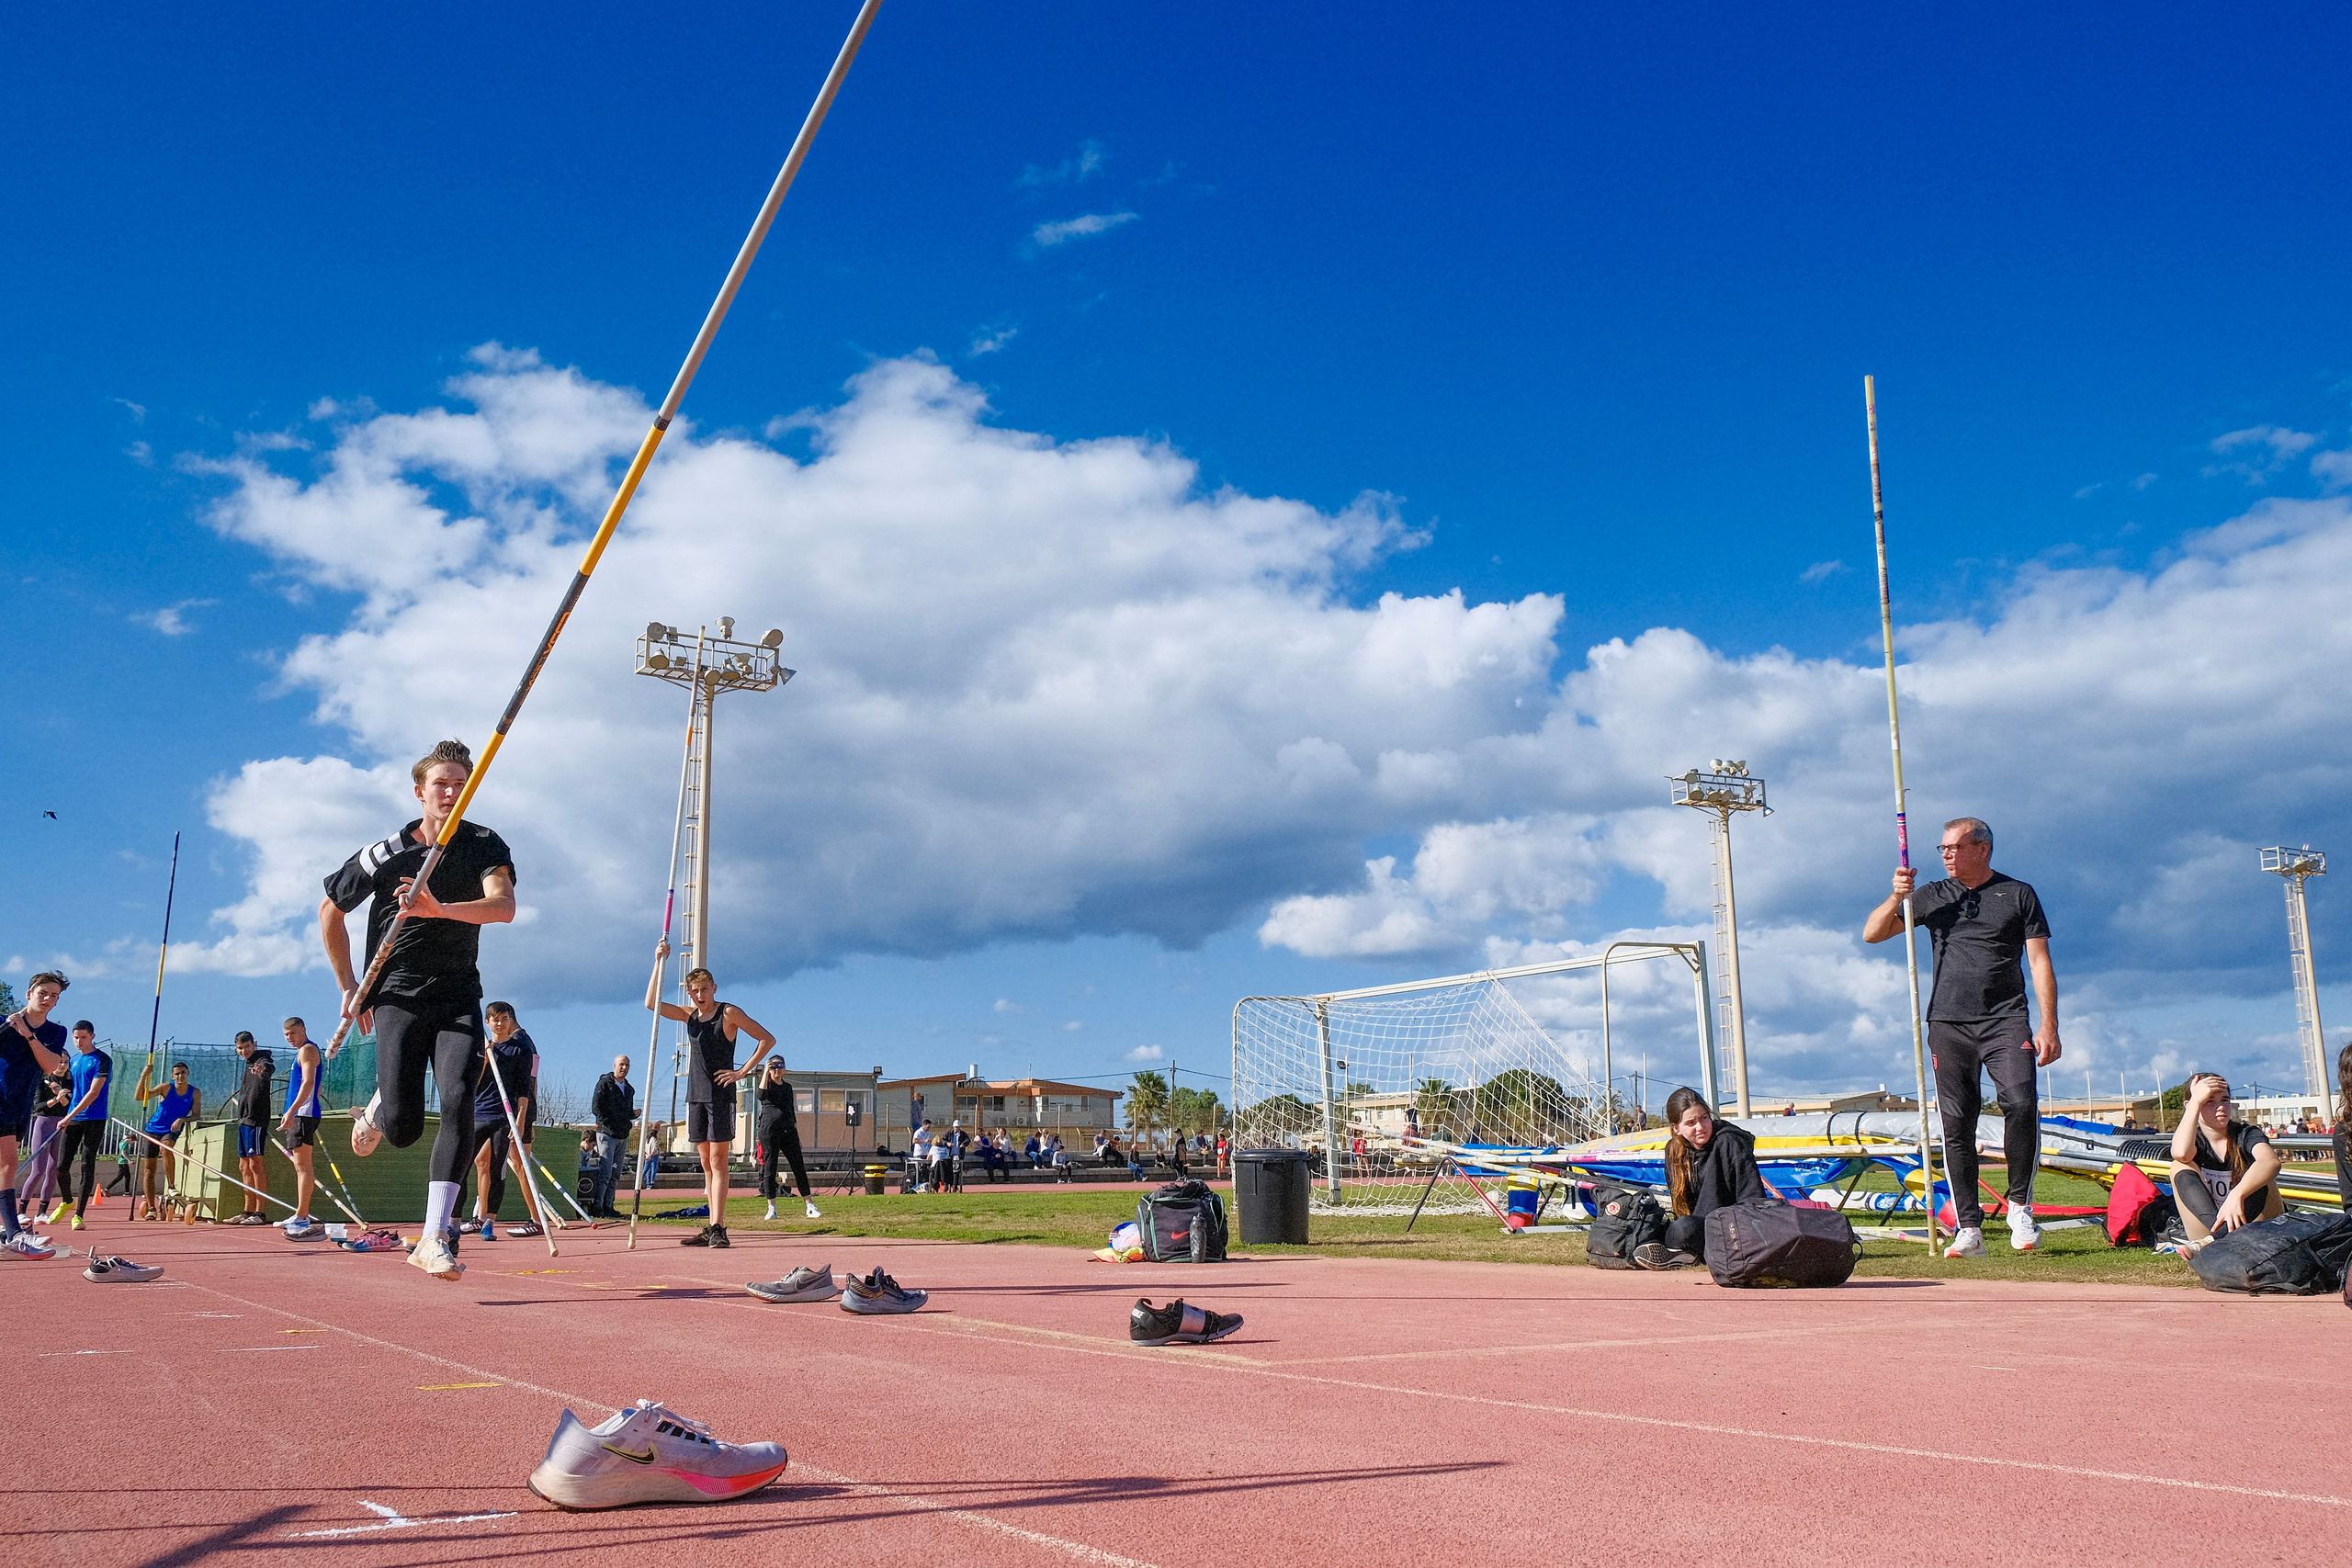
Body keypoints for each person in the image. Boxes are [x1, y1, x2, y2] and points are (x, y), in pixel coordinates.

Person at [322, 739, 517, 1282]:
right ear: (420, 792)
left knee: (458, 1098)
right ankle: (380, 1110)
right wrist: (348, 985)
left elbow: (504, 907)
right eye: (441, 784)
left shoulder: (483, 844)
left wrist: (440, 909)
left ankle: (435, 1235)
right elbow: (330, 912)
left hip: (458, 992)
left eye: (462, 783)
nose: (452, 791)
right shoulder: (385, 854)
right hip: (397, 995)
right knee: (406, 1127)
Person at [1864, 815, 2059, 1259]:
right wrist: (1896, 896)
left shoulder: (2018, 894)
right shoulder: (1932, 895)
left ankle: (2020, 1207)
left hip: (2006, 1020)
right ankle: (1968, 1228)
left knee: (2021, 1102)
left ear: (1982, 848)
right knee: (1956, 1123)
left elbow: (2040, 961)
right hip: (1948, 1024)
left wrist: (2049, 1025)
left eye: (1955, 847)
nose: (1947, 855)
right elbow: (1873, 934)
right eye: (1943, 849)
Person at [646, 941, 776, 1248]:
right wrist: (658, 961)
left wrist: (741, 1072)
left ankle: (719, 1226)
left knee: (719, 1160)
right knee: (705, 1160)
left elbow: (766, 1039)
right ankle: (710, 1225)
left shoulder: (728, 1013)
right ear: (689, 992)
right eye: (694, 991)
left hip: (720, 1094)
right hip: (697, 1095)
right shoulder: (689, 1015)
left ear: (713, 988)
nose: (700, 995)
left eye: (704, 989)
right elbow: (652, 1004)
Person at [1634, 1087, 1765, 1269]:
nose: (1701, 1127)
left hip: (1732, 1232)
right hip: (1697, 1226)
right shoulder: (1673, 1150)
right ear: (1676, 1128)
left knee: (1683, 1228)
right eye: (1691, 1123)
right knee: (1646, 1228)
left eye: (1704, 1118)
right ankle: (1680, 1254)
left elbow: (1753, 1201)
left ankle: (1683, 1254)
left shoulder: (1729, 1142)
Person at [2163, 1073, 2284, 1254]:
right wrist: (2195, 1102)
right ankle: (2217, 1239)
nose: (2220, 1107)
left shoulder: (2246, 1134)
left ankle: (2215, 1241)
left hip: (2254, 1227)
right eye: (2209, 1101)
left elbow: (2271, 1162)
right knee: (2179, 1166)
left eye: (2225, 1099)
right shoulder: (2194, 1142)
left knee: (2261, 1169)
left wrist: (2237, 1195)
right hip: (2209, 1225)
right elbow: (2180, 1153)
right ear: (2191, 1106)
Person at [0, 973, 72, 1257]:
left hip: (21, 1104)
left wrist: (28, 1035)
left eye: (54, 996)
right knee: (8, 1163)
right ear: (29, 994)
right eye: (43, 992)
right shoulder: (3, 1023)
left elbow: (52, 1065)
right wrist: (11, 1027)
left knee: (4, 1165)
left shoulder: (56, 1032)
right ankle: (14, 1234)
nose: (48, 999)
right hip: (0, 1098)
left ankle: (8, 1230)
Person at [464, 1001, 541, 1242]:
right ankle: (482, 1215)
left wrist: (523, 1119)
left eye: (504, 1019)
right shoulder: (485, 1046)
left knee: (519, 1164)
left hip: (514, 1112)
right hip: (488, 1112)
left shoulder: (523, 1043)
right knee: (481, 1160)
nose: (500, 1023)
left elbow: (528, 1081)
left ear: (511, 1020)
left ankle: (537, 1220)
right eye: (495, 1019)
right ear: (488, 1022)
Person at [275, 1018, 328, 1238]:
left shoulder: (307, 1050)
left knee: (303, 1165)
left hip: (303, 1115)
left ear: (303, 1030)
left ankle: (302, 1215)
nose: (289, 1038)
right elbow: (317, 1087)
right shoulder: (303, 1052)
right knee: (299, 1165)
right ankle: (300, 1214)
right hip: (302, 1114)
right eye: (286, 1034)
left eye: (293, 1033)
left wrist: (293, 1111)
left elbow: (308, 1082)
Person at [57, 1021, 112, 1230]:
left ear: (92, 1036)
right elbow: (74, 1088)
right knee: (61, 1165)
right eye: (76, 1038)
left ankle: (78, 1215)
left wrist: (69, 1115)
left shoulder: (102, 1060)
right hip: (74, 1118)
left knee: (87, 1164)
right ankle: (66, 1199)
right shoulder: (74, 1060)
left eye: (83, 1037)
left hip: (94, 1118)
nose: (79, 1042)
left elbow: (93, 1093)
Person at [752, 1057, 821, 1222]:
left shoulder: (788, 1087)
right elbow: (761, 1095)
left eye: (779, 1066)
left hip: (788, 1130)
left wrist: (796, 1134)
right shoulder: (766, 1085)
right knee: (770, 1169)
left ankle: (809, 1205)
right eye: (773, 1067)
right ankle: (772, 1208)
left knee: (799, 1167)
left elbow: (791, 1110)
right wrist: (765, 1073)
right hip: (769, 1132)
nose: (777, 1070)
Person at [132, 1057, 199, 1221]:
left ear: (188, 1074)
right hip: (152, 1130)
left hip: (171, 1131)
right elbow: (140, 1097)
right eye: (177, 1074)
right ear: (172, 1075)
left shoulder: (194, 1092)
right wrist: (144, 1076)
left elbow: (196, 1115)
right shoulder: (166, 1088)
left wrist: (182, 1119)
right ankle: (151, 1208)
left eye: (183, 1073)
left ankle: (171, 1186)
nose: (180, 1077)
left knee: (166, 1147)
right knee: (149, 1170)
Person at [229, 1030, 277, 1225]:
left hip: (256, 1121)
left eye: (247, 1047)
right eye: (240, 1048)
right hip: (244, 1120)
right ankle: (247, 1211)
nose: (243, 1051)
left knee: (256, 1164)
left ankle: (260, 1212)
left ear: (254, 1044)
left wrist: (263, 1069)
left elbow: (268, 1067)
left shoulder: (261, 1061)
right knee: (244, 1166)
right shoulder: (247, 1064)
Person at [20, 1059, 72, 1220]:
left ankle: (42, 1212)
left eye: (66, 1062)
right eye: (60, 1061)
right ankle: (21, 1211)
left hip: (61, 1124)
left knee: (53, 1170)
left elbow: (68, 1106)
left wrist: (62, 1096)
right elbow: (37, 1106)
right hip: (44, 1123)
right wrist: (56, 1098)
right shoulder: (42, 1082)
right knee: (38, 1170)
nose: (62, 1064)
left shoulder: (70, 1082)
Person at [591, 1055, 636, 1217]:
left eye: (627, 1065)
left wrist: (632, 1116)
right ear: (615, 1065)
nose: (624, 1068)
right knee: (605, 1172)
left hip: (622, 1134)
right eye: (621, 1065)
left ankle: (609, 1206)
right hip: (607, 1134)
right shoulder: (605, 1084)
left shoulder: (629, 1089)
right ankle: (598, 1206)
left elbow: (627, 1111)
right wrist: (607, 1123)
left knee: (616, 1173)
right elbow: (596, 1108)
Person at [908, 1120, 934, 1192]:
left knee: (925, 1171)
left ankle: (924, 1185)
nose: (929, 1128)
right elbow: (914, 1141)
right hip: (919, 1153)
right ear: (924, 1125)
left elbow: (929, 1141)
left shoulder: (928, 1133)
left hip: (926, 1153)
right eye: (928, 1126)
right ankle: (918, 1185)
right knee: (920, 1170)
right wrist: (924, 1141)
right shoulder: (918, 1132)